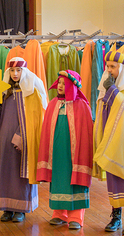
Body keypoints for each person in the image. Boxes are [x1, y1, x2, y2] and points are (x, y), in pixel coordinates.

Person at [0, 57, 47, 223]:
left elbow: (33, 117)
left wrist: (21, 135)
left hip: (23, 138)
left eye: (18, 70)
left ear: (23, 72)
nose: (15, 73)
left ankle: (21, 209)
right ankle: (7, 208)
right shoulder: (5, 92)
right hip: (4, 137)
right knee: (6, 171)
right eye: (12, 70)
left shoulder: (31, 92)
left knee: (22, 173)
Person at [93, 44, 124, 235]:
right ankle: (116, 216)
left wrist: (112, 91)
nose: (109, 70)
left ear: (122, 68)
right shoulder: (107, 87)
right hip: (112, 140)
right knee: (115, 179)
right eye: (108, 67)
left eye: (113, 67)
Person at [36, 70, 93, 230]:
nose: (60, 86)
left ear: (72, 86)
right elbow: (47, 130)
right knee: (59, 179)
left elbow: (86, 134)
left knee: (75, 180)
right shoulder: (53, 103)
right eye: (59, 82)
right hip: (57, 152)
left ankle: (76, 216)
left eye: (64, 83)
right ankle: (59, 213)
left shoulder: (82, 106)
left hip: (75, 154)